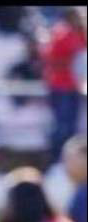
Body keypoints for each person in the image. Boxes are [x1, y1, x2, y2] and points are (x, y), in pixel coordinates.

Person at [42, 8, 87, 167]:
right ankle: (56, 162)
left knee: (71, 127)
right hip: (61, 86)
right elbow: (50, 58)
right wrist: (68, 63)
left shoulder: (78, 33)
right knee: (62, 127)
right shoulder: (61, 33)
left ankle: (68, 162)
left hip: (73, 86)